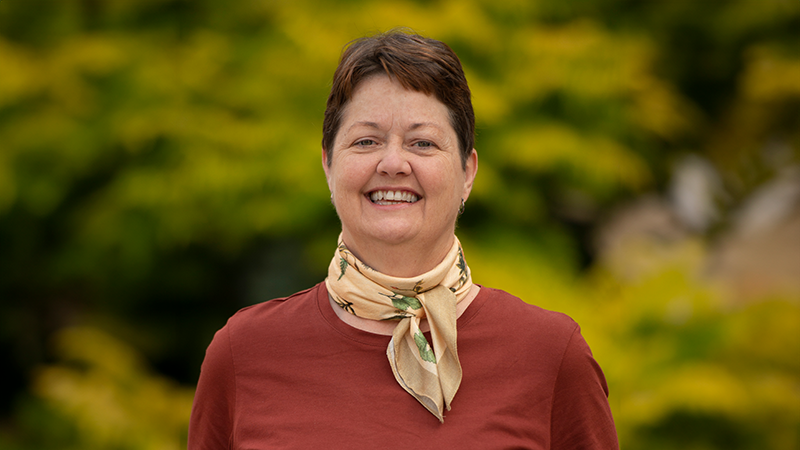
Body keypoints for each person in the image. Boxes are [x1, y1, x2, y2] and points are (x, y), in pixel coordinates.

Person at [188, 30, 618, 449]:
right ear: (328, 166)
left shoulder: (550, 355)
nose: (393, 163)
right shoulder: (244, 353)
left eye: (423, 143)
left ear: (467, 172)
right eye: (366, 140)